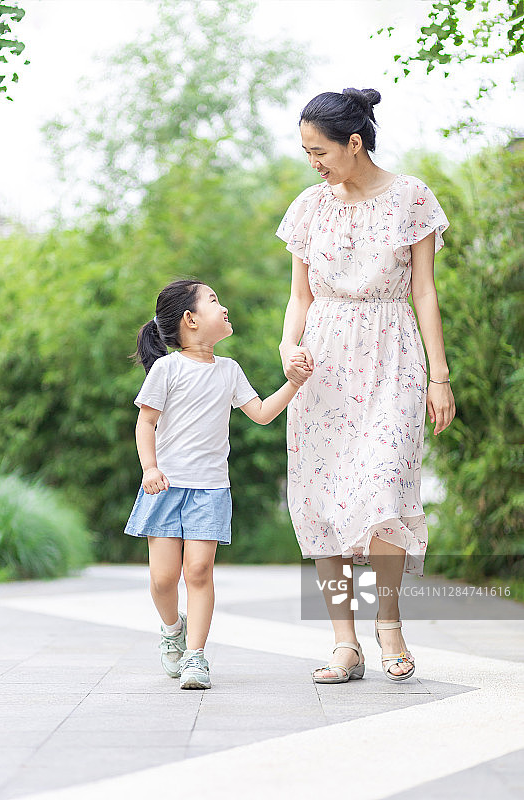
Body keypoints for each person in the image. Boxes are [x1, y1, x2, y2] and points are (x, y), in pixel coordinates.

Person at [276, 88, 456, 683]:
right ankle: (343, 643)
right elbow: (299, 295)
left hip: (392, 354)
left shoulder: (411, 198)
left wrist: (440, 374)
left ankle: (389, 625)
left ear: (355, 142)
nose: (313, 163)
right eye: (306, 152)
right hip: (322, 361)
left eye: (320, 150)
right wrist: (287, 345)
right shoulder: (308, 207)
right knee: (322, 496)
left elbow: (423, 291)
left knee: (385, 485)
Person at [125, 279, 311, 689]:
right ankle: (172, 629)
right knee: (162, 579)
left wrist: (294, 384)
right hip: (165, 486)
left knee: (198, 571)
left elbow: (261, 413)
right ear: (190, 320)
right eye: (214, 301)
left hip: (210, 489)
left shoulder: (229, 371)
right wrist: (149, 468)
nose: (224, 308)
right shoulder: (167, 368)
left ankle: (195, 657)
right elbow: (146, 422)